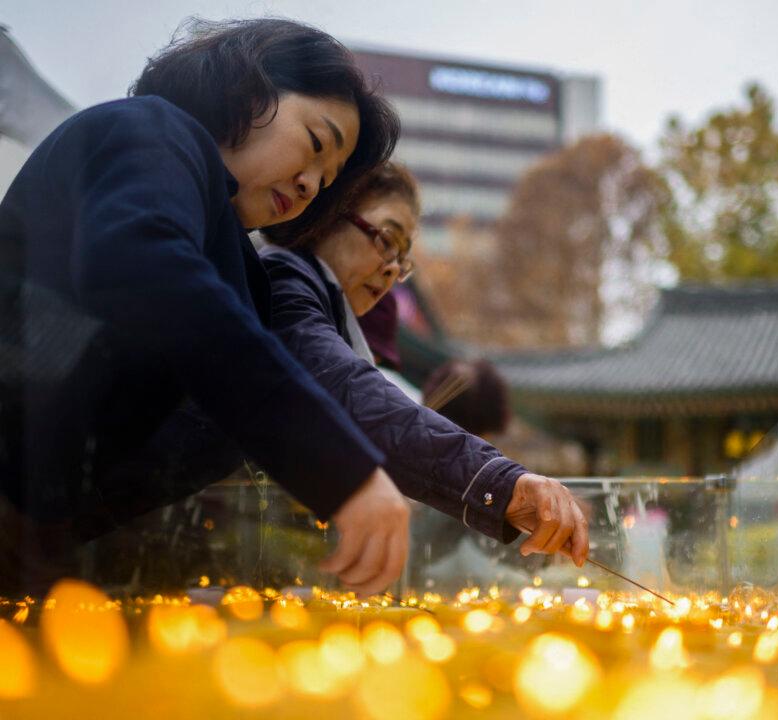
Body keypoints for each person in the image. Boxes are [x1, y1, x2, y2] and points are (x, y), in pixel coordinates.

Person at [2, 18, 410, 595]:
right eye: (316, 144)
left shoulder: (238, 265)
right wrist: (338, 470)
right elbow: (148, 270)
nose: (309, 184)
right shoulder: (151, 132)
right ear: (248, 88)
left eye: (326, 180)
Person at [260, 162, 589, 580]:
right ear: (327, 213)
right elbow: (355, 397)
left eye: (403, 258)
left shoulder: (324, 310)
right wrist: (501, 482)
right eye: (387, 239)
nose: (393, 269)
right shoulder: (282, 280)